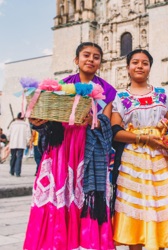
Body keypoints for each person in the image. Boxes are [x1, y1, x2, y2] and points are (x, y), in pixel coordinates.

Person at [23, 42, 117, 250]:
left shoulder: (107, 91)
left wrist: (93, 119)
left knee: (85, 197)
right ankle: (56, 243)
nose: (91, 59)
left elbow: (106, 124)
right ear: (76, 60)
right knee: (59, 194)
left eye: (96, 57)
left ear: (100, 63)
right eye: (86, 55)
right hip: (61, 149)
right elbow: (48, 119)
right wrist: (38, 122)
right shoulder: (60, 86)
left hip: (88, 150)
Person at [111, 49, 168, 249]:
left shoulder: (163, 94)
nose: (139, 66)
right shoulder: (120, 97)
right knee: (136, 210)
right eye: (135, 62)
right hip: (134, 162)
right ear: (128, 68)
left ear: (150, 68)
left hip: (161, 159)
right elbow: (115, 131)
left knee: (160, 211)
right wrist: (144, 138)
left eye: (144, 63)